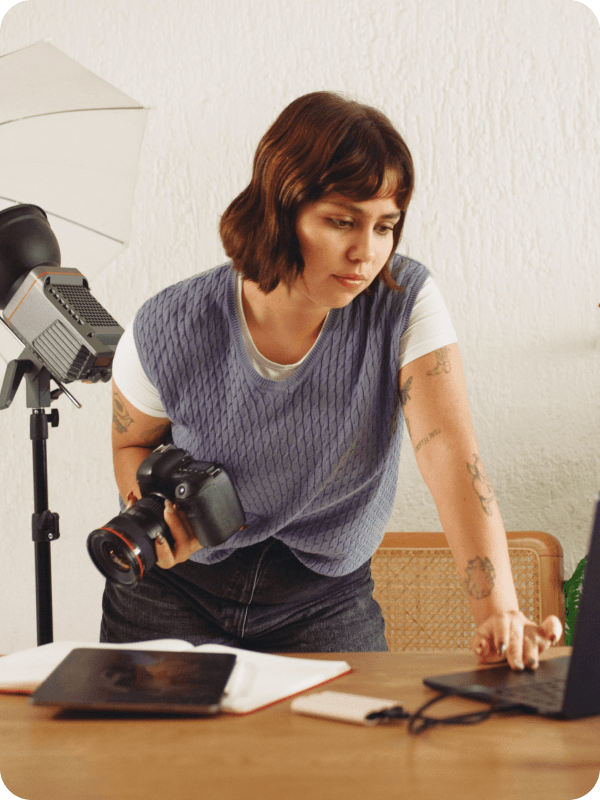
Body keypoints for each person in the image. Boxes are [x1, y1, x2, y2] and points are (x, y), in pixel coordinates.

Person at [103, 91, 561, 669]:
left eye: (384, 226)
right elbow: (132, 442)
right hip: (174, 593)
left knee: (355, 753)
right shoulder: (167, 325)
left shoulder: (402, 301)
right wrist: (156, 516)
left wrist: (498, 612)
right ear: (279, 209)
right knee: (148, 757)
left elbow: (449, 452)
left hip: (322, 598)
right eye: (341, 221)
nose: (365, 253)